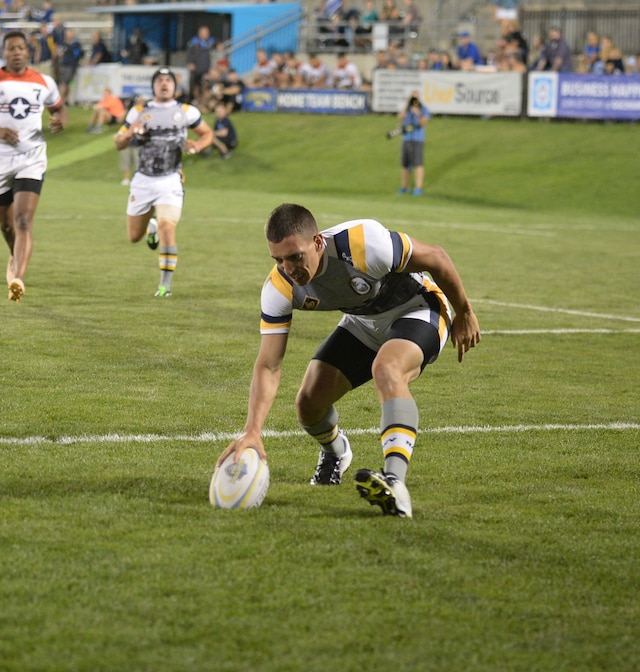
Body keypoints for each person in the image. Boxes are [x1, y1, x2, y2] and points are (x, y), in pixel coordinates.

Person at [216, 203, 480, 519]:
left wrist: (464, 311)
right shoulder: (279, 287)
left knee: (387, 369)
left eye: (295, 257)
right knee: (308, 405)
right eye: (278, 259)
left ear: (317, 242)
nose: (289, 268)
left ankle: (395, 483)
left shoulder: (361, 243)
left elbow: (436, 256)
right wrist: (253, 430)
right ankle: (336, 454)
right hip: (363, 322)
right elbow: (269, 364)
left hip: (418, 308)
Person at [0, 30, 66, 303]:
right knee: (6, 225)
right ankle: (14, 255)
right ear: (4, 52)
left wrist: (60, 120)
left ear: (28, 51)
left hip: (32, 157)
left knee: (22, 220)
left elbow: (59, 107)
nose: (17, 52)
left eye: (21, 48)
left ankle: (18, 278)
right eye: (12, 49)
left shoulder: (43, 82)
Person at [114, 67, 213, 298]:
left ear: (175, 87)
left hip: (171, 179)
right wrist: (130, 134)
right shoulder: (139, 111)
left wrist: (197, 146)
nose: (164, 83)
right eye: (160, 80)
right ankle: (152, 228)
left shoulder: (186, 111)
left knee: (169, 228)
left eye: (169, 80)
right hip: (143, 180)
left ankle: (164, 286)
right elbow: (118, 142)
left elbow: (207, 134)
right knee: (133, 237)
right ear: (153, 86)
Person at [396, 90, 429, 196]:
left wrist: (418, 113)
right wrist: (406, 106)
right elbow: (400, 117)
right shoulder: (407, 109)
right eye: (412, 98)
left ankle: (418, 188)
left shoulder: (424, 110)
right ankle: (404, 187)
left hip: (417, 139)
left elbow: (423, 123)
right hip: (406, 138)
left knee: (418, 164)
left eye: (416, 98)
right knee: (404, 164)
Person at [186, 26, 214, 105]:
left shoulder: (211, 43)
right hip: (197, 68)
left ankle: (203, 103)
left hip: (206, 68)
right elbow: (189, 54)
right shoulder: (194, 42)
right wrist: (190, 63)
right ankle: (197, 101)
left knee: (205, 85)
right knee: (196, 86)